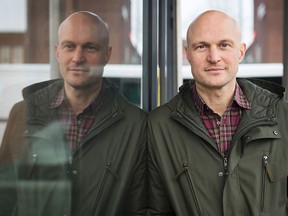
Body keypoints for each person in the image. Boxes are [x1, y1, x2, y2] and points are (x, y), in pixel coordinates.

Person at [0, 11, 147, 216]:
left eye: (90, 47)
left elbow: (142, 208)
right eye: (70, 46)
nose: (78, 58)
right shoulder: (22, 114)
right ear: (57, 52)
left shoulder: (136, 125)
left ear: (107, 54)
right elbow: (5, 198)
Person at [148, 10, 288, 215]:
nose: (214, 57)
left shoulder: (282, 116)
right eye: (202, 46)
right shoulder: (158, 126)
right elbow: (153, 210)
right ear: (187, 53)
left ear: (240, 51)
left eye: (224, 45)